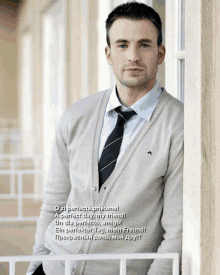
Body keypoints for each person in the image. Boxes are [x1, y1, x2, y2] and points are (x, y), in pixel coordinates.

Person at [27, 2, 183, 275]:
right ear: (109, 54)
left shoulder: (179, 124)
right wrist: (36, 265)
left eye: (144, 45)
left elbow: (177, 230)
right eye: (122, 45)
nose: (133, 56)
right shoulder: (76, 116)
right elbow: (54, 202)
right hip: (54, 268)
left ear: (161, 53)